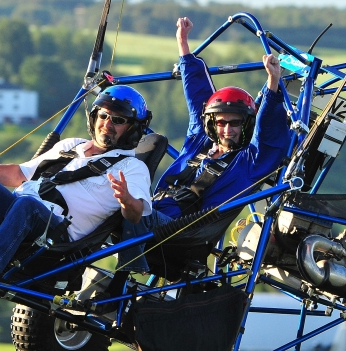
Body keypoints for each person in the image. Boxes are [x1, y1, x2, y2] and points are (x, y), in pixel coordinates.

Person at [118, 16, 290, 272]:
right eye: (221, 123)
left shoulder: (248, 162)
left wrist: (272, 83)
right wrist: (183, 45)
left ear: (246, 125)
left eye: (234, 124)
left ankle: (124, 275)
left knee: (131, 210)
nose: (227, 129)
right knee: (105, 201)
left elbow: (267, 133)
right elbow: (198, 95)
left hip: (186, 229)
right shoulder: (199, 141)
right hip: (157, 209)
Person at [0, 85, 154, 291]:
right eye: (103, 115)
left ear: (132, 129)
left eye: (118, 120)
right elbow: (20, 174)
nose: (107, 124)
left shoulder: (133, 167)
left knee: (27, 206)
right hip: (20, 211)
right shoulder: (71, 146)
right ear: (94, 117)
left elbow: (136, 214)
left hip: (56, 238)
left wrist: (127, 199)